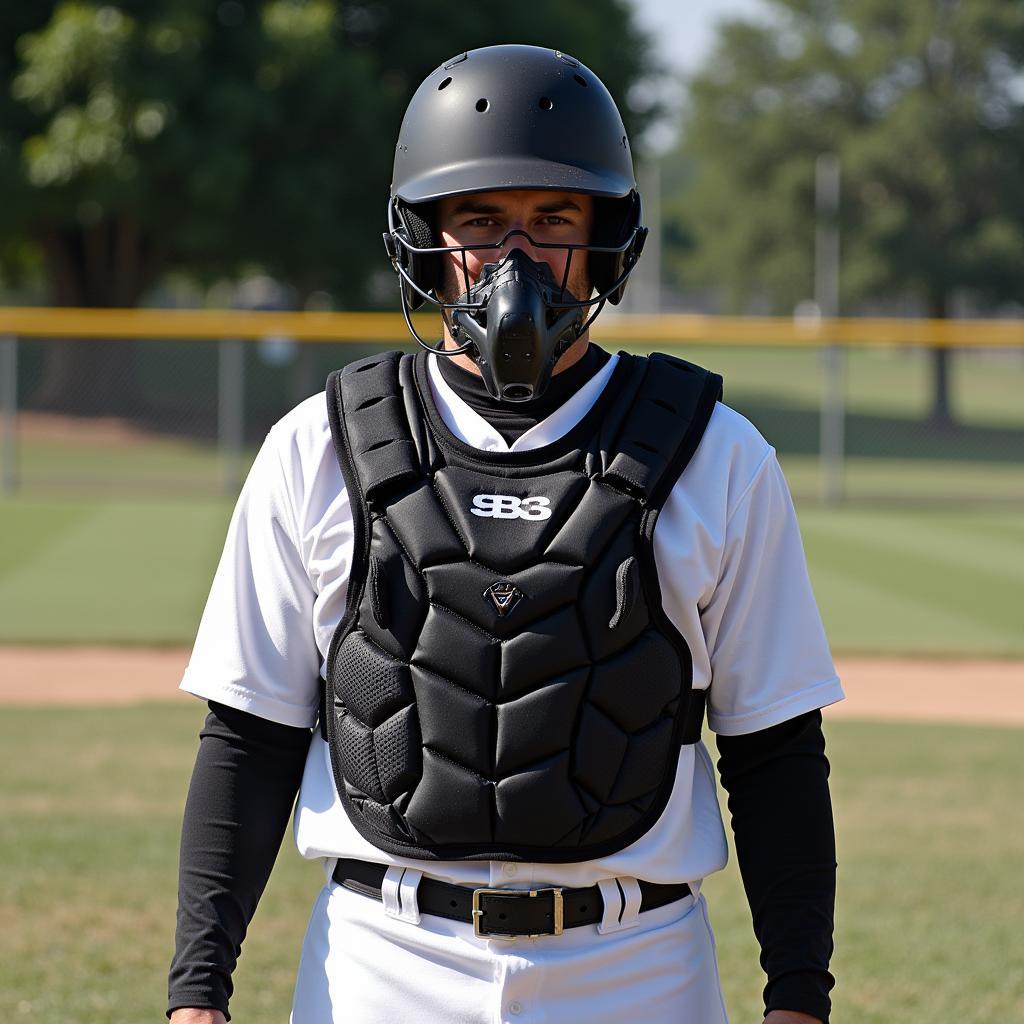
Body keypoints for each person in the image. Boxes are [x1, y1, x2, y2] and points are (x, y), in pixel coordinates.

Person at [168, 44, 842, 1024]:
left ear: (604, 237)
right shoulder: (316, 448)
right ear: (426, 237)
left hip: (635, 965)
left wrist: (798, 997)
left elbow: (774, 747)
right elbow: (248, 735)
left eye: (552, 219)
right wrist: (197, 994)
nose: (514, 258)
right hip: (381, 963)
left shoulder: (717, 456)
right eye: (479, 220)